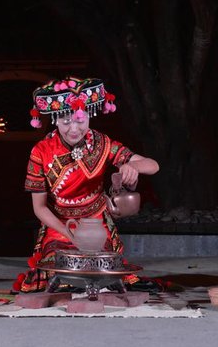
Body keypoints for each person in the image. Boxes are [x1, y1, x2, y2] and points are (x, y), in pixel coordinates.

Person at [15, 77, 160, 293]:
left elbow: (153, 165)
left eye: (80, 120)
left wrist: (133, 167)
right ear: (55, 119)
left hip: (97, 222)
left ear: (89, 117)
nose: (74, 129)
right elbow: (40, 208)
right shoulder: (41, 151)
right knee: (59, 267)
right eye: (66, 122)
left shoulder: (102, 143)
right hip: (60, 224)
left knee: (105, 266)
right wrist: (67, 231)